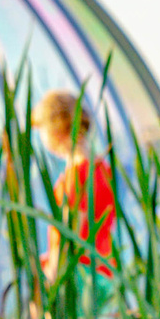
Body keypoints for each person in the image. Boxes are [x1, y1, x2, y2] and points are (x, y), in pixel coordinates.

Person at [34, 90, 116, 285]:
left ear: (55, 130)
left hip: (80, 279)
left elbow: (69, 238)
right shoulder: (102, 169)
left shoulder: (76, 177)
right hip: (104, 272)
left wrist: (50, 279)